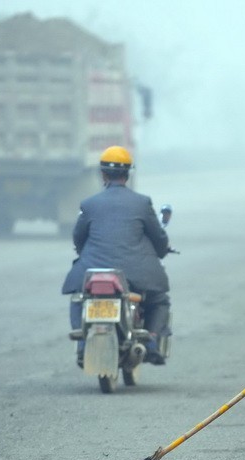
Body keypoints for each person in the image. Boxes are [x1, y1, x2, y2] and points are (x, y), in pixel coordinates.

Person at [61, 146, 171, 366]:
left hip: (93, 271)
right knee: (159, 300)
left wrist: (86, 255)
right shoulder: (142, 203)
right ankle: (150, 340)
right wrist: (161, 250)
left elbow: (78, 238)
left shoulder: (89, 204)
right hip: (134, 275)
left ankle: (83, 343)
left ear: (102, 174)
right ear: (128, 174)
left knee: (78, 299)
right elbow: (158, 237)